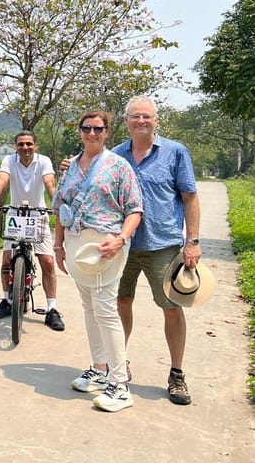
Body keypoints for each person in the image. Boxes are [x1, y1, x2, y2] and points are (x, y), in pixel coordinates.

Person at [112, 96, 201, 405]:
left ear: (156, 120)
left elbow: (189, 197)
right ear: (126, 121)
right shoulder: (115, 155)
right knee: (120, 302)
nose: (141, 121)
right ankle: (118, 364)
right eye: (135, 116)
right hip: (122, 245)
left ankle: (177, 374)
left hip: (163, 244)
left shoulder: (175, 152)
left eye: (146, 116)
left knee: (172, 308)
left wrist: (193, 241)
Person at [53, 110, 143, 413]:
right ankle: (100, 369)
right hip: (76, 244)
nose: (92, 133)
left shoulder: (118, 166)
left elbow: (134, 209)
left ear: (107, 132)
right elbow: (61, 207)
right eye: (87, 128)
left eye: (98, 129)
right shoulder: (70, 167)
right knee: (89, 307)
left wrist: (120, 240)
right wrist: (58, 246)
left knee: (105, 310)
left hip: (105, 246)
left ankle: (120, 384)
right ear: (79, 131)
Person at [0, 130, 64, 331]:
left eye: (29, 144)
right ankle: (6, 300)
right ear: (16, 147)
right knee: (6, 260)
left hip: (38, 216)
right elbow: (1, 181)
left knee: (47, 261)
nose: (25, 148)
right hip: (15, 216)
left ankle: (52, 308)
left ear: (35, 146)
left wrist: (55, 204)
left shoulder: (44, 162)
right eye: (21, 144)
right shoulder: (9, 161)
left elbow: (49, 183)